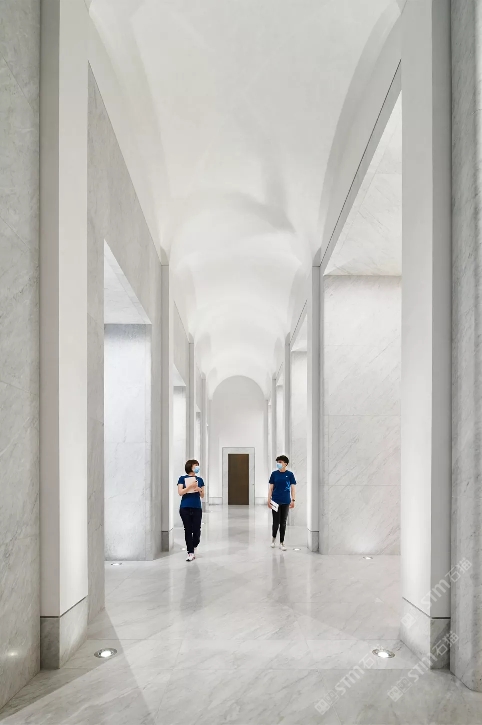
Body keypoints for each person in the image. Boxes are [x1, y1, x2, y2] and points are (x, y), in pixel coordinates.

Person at [178, 459, 205, 562]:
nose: (197, 467)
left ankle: (194, 545)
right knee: (188, 529)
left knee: (197, 530)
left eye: (198, 465)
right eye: (195, 465)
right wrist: (190, 486)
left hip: (197, 507)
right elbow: (180, 492)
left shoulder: (200, 480)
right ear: (190, 467)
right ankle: (190, 552)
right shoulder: (182, 479)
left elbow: (202, 495)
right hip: (185, 507)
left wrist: (199, 489)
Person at [268, 455, 296, 551]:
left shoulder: (290, 474)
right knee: (276, 522)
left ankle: (282, 542)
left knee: (283, 523)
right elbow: (271, 488)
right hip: (275, 501)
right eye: (277, 462)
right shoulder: (274, 474)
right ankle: (273, 539)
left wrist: (293, 500)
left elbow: (293, 488)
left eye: (280, 462)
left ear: (285, 464)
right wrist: (269, 499)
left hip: (285, 501)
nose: (278, 464)